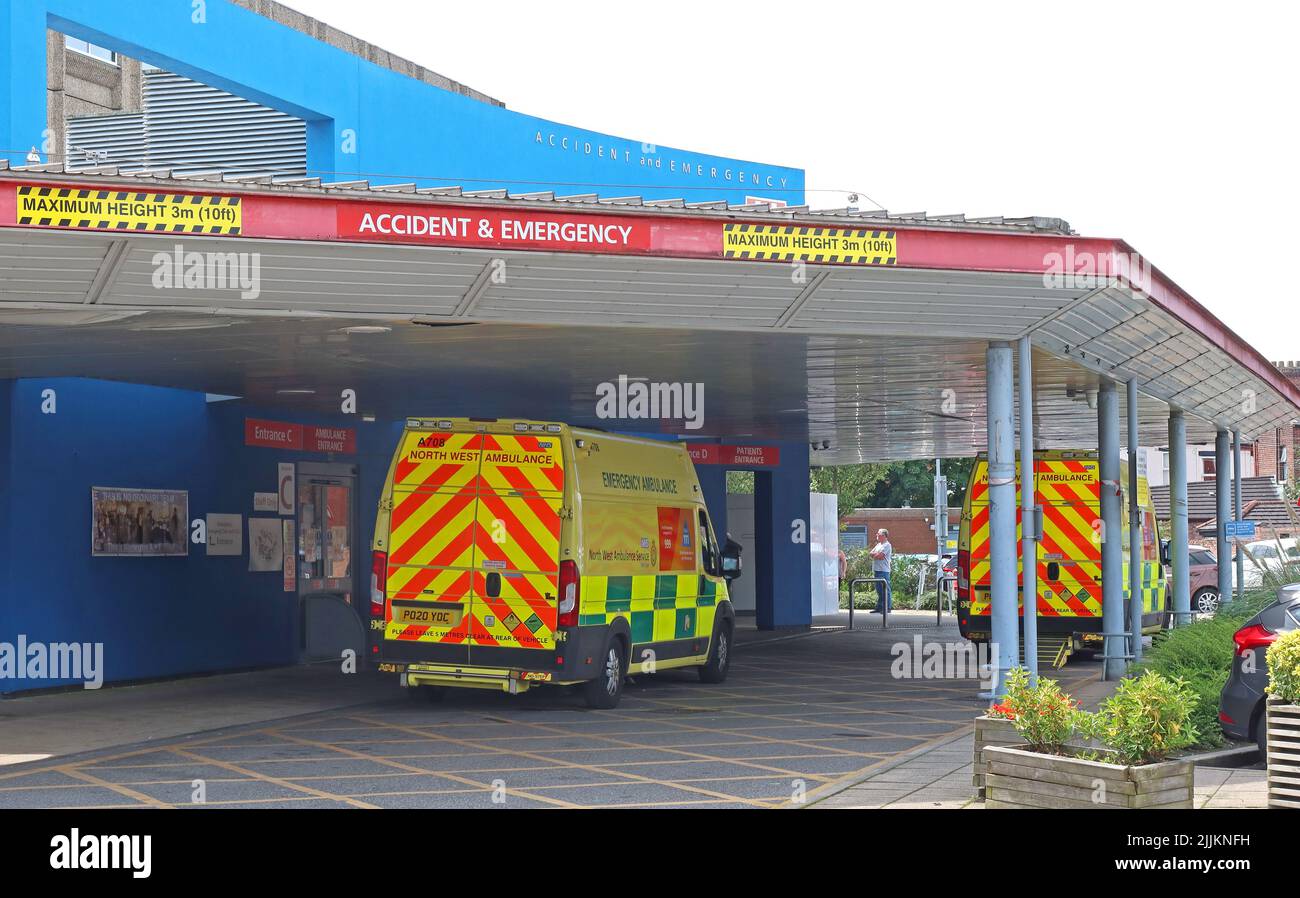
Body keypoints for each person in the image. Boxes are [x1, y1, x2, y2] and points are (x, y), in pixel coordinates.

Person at [869, 528, 892, 613]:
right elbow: (871, 554)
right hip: (877, 570)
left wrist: (876, 555)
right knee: (879, 590)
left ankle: (887, 607)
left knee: (886, 589)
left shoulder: (887, 545)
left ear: (883, 535)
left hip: (884, 571)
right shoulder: (878, 545)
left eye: (878, 534)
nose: (876, 535)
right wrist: (876, 555)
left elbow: (880, 556)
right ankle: (879, 607)